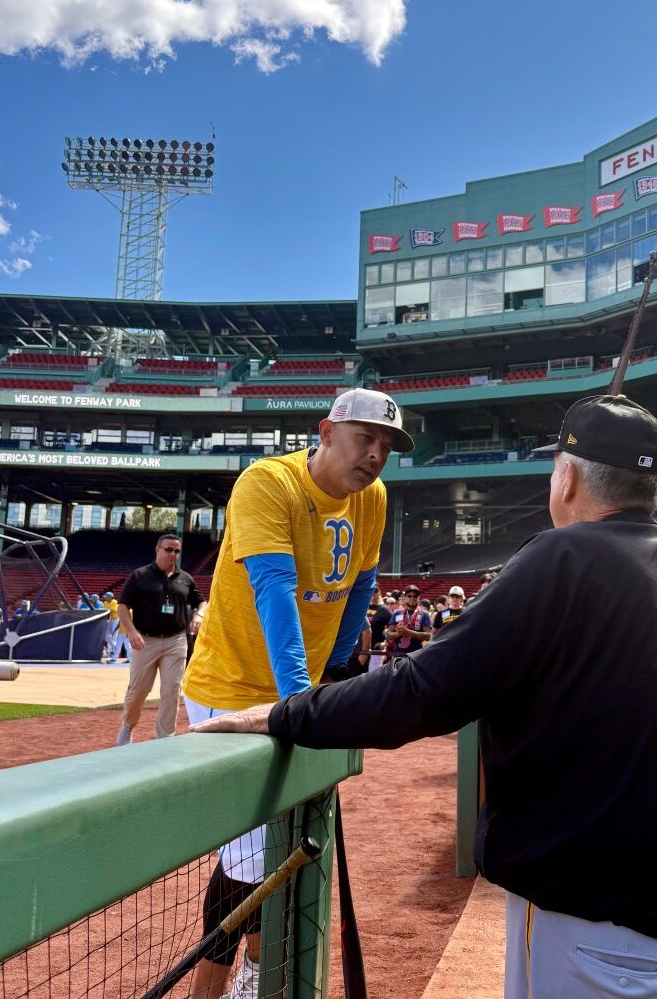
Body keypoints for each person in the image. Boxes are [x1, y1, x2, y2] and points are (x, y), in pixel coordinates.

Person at [194, 394, 657, 999]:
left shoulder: (561, 556)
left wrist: (290, 711)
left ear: (569, 479)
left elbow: (421, 690)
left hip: (596, 926)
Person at [180, 387, 411, 999]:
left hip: (296, 692)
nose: (376, 454)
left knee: (271, 844)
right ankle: (237, 979)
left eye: (386, 445)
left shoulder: (373, 497)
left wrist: (334, 670)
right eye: (365, 438)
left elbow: (361, 584)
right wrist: (303, 702)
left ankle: (251, 974)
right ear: (327, 432)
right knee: (252, 855)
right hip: (232, 686)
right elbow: (275, 590)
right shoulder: (268, 482)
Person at [114, 534, 207, 747]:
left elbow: (202, 602)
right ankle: (128, 727)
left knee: (171, 690)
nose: (173, 554)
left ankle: (165, 738)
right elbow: (122, 606)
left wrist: (199, 616)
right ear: (157, 550)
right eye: (168, 549)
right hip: (145, 640)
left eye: (176, 551)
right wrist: (131, 632)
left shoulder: (185, 578)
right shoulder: (140, 576)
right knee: (138, 691)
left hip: (176, 641)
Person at [383, 584, 432, 661]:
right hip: (397, 656)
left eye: (415, 596)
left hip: (416, 657)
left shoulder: (424, 614)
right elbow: (388, 635)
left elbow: (428, 636)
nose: (412, 598)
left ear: (418, 598)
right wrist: (398, 633)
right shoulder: (397, 613)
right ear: (405, 598)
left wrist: (408, 632)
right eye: (409, 596)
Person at [365, 584, 394, 670]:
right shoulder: (363, 607)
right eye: (370, 590)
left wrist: (385, 643)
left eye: (375, 591)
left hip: (376, 651)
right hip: (361, 650)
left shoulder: (384, 609)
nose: (373, 593)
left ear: (379, 592)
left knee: (373, 675)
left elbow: (395, 628)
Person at [101, 590, 121, 661]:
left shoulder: (114, 602)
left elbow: (114, 610)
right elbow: (103, 609)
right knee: (107, 636)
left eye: (107, 597)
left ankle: (115, 652)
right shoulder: (106, 602)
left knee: (114, 635)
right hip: (109, 619)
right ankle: (111, 651)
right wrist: (106, 609)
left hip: (115, 619)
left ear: (111, 597)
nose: (105, 598)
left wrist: (106, 609)